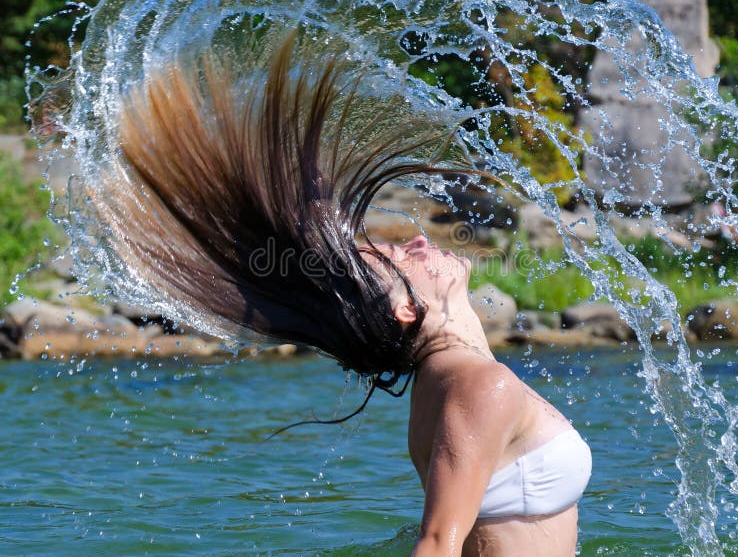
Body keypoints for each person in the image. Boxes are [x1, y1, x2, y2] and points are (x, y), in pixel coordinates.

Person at [101, 33, 591, 556]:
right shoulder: (478, 386)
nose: (421, 242)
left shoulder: (448, 383)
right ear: (407, 309)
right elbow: (436, 546)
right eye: (400, 258)